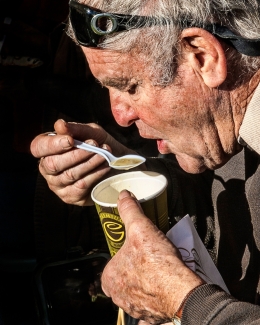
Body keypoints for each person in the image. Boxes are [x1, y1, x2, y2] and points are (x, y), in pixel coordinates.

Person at [30, 0, 260, 323]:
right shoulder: (230, 138)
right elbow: (231, 208)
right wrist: (132, 178)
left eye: (130, 86)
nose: (119, 116)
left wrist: (182, 299)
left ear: (203, 57)